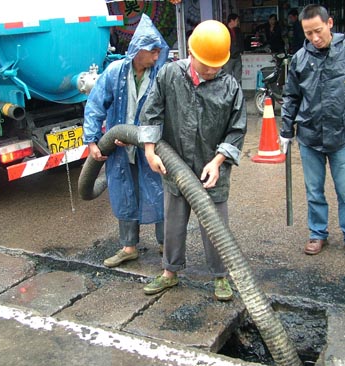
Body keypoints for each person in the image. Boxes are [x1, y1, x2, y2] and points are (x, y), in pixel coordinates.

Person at [138, 20, 247, 301]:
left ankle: (221, 276)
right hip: (175, 166)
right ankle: (169, 273)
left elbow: (237, 129)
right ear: (191, 52)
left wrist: (218, 161)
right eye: (206, 64)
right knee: (173, 222)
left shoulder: (229, 86)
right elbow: (151, 113)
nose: (212, 70)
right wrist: (150, 150)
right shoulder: (169, 75)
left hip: (212, 170)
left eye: (217, 65)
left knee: (215, 225)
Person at [279, 4, 345, 261]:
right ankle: (317, 233)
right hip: (310, 136)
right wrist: (285, 130)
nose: (314, 38)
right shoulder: (300, 58)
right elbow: (291, 96)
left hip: (341, 134)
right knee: (314, 191)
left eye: (318, 31)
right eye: (308, 33)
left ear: (330, 23)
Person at [83, 15, 169, 268]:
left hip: (153, 148)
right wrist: (93, 141)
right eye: (152, 51)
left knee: (160, 194)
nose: (156, 56)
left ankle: (167, 246)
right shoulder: (115, 72)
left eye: (158, 51)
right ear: (138, 49)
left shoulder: (161, 74)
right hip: (120, 148)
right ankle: (129, 247)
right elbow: (96, 105)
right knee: (124, 193)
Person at [223, 13, 244, 85]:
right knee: (227, 77)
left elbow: (241, 41)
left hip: (237, 56)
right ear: (232, 21)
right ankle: (227, 94)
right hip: (228, 57)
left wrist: (241, 50)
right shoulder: (224, 30)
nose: (238, 22)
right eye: (237, 20)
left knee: (238, 77)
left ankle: (238, 93)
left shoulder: (238, 30)